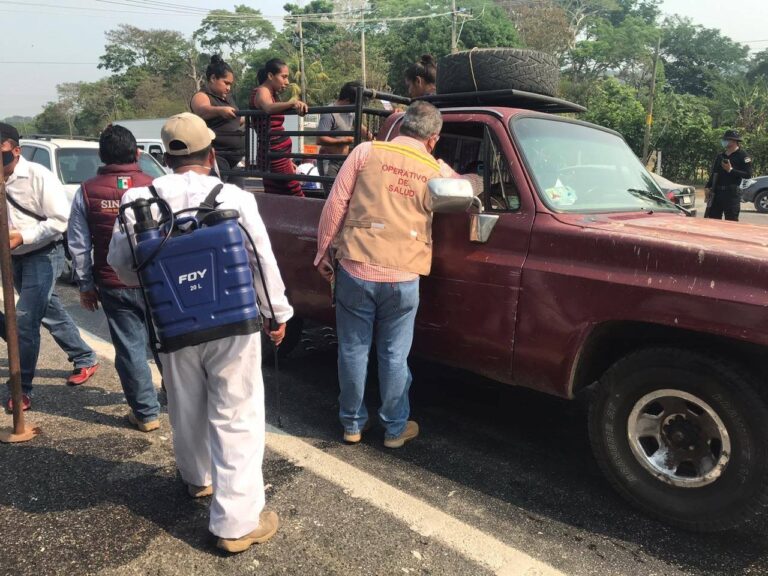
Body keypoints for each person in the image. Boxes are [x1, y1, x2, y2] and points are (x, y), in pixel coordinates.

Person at [107, 112, 293, 553]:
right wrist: (276, 313)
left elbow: (121, 264)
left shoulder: (139, 200)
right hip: (233, 323)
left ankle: (197, 479)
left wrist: (158, 286)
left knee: (186, 404)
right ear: (211, 153)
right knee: (238, 415)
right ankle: (235, 524)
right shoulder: (233, 196)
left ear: (165, 156)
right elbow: (261, 260)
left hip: (174, 324)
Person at [314, 101, 455, 449]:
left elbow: (335, 204)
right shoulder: (435, 170)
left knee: (352, 349)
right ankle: (394, 429)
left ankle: (351, 424)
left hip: (356, 267)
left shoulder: (365, 152)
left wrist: (322, 251)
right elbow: (466, 189)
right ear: (433, 139)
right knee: (394, 355)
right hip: (404, 275)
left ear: (400, 126)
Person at [67, 124, 161, 432]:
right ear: (137, 154)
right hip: (156, 281)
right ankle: (177, 397)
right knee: (166, 343)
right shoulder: (155, 186)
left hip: (113, 283)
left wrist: (85, 285)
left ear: (101, 155)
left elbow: (79, 244)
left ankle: (146, 414)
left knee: (131, 347)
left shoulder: (86, 191)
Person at [0, 123, 99, 413]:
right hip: (11, 257)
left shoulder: (38, 176)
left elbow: (60, 220)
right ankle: (85, 356)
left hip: (43, 253)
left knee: (27, 320)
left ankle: (21, 388)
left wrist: (24, 237)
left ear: (15, 151)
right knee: (49, 311)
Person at [250, 58, 308, 196]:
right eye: (284, 77)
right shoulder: (262, 91)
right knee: (295, 192)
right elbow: (268, 108)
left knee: (275, 193)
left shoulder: (272, 94)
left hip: (276, 153)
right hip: (274, 153)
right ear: (270, 76)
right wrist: (292, 103)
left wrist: (287, 159)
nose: (287, 82)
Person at [190, 54, 245, 187]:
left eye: (230, 84)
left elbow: (236, 120)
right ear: (213, 78)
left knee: (236, 197)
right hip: (217, 156)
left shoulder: (227, 98)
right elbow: (202, 110)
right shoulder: (202, 96)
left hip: (234, 159)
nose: (228, 88)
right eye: (226, 83)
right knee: (214, 193)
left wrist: (249, 118)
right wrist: (220, 110)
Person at [317, 81, 372, 196]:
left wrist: (372, 138)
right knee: (332, 196)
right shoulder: (329, 113)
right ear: (347, 100)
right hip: (329, 161)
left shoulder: (350, 112)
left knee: (345, 195)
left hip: (343, 160)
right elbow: (320, 139)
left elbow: (360, 126)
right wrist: (343, 141)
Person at [704, 129, 752, 221]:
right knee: (713, 220)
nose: (724, 142)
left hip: (732, 194)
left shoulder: (743, 155)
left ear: (734, 141)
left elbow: (748, 174)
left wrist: (730, 170)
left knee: (731, 222)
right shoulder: (720, 156)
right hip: (717, 193)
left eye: (726, 139)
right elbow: (714, 173)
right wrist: (707, 187)